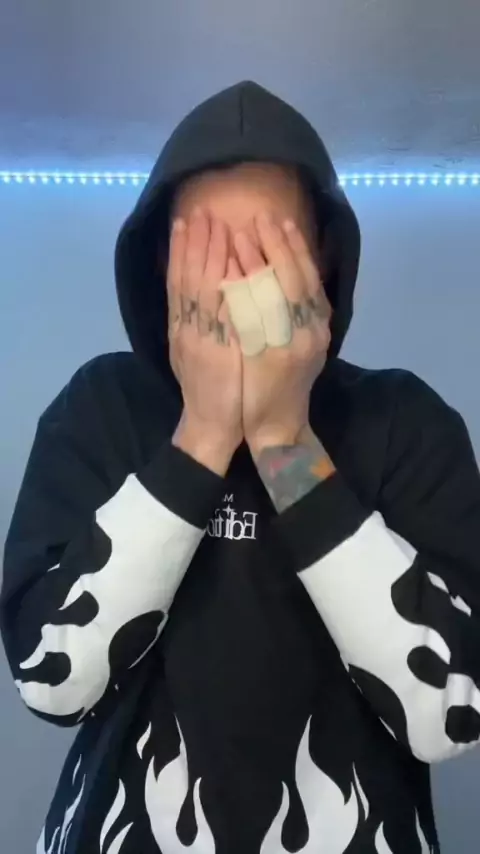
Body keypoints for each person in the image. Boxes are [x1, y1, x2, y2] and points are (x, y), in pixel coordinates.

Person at [1, 81, 479, 854]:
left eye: (268, 250)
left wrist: (285, 441)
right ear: (161, 262)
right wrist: (204, 433)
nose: (234, 281)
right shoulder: (102, 406)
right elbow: (50, 678)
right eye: (204, 249)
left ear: (322, 261)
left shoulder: (403, 420)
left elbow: (449, 711)